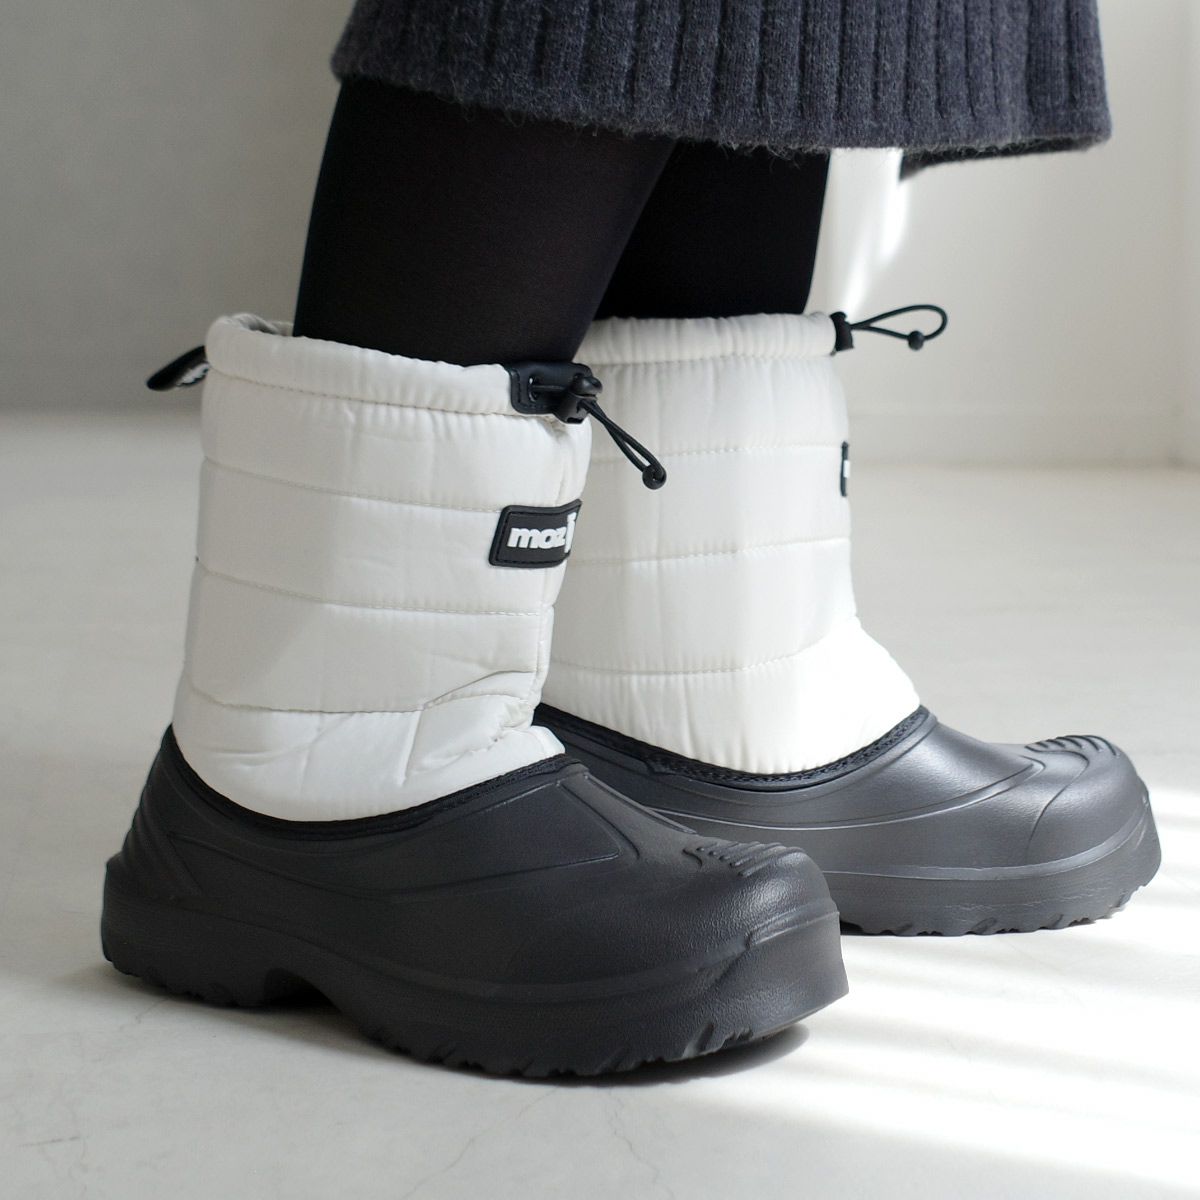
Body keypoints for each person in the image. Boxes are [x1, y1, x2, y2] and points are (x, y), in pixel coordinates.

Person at [102, 1, 1160, 1075]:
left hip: (705, 708)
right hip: (317, 790)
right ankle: (313, 774)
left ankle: (705, 705)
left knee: (799, 26)